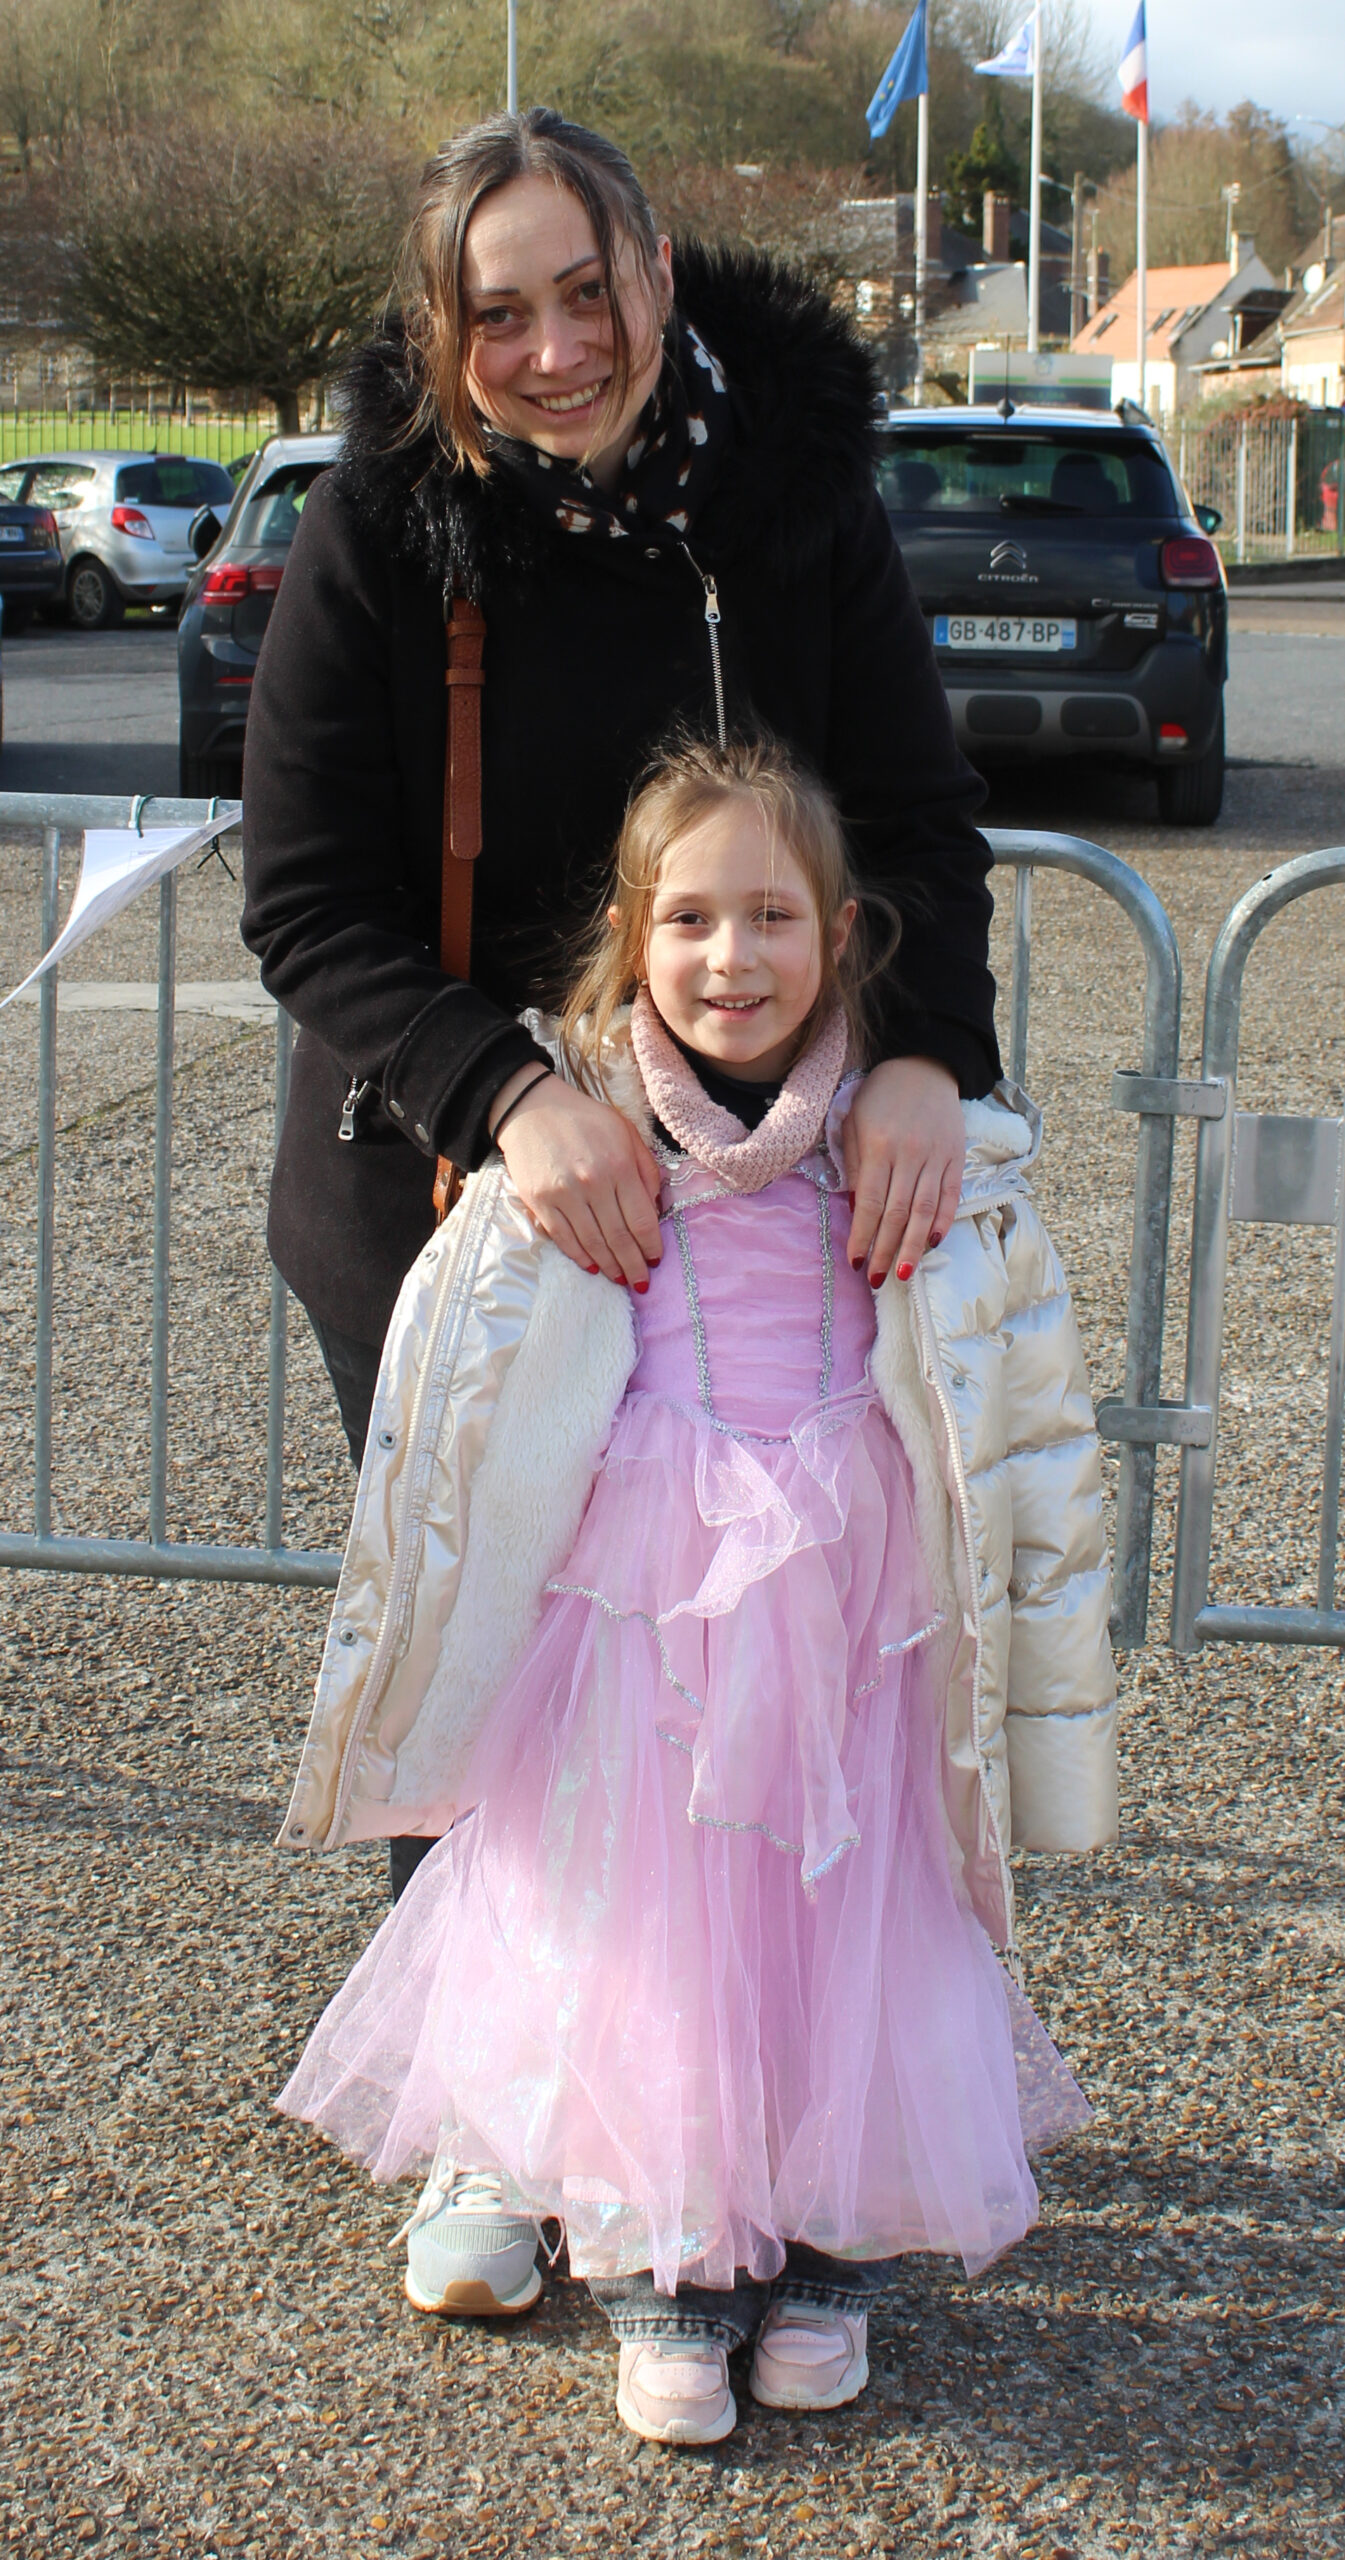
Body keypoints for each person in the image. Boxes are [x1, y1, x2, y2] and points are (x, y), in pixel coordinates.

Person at [277, 735, 1116, 2446]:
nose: (732, 958)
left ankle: (825, 2242)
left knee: (840, 1909)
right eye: (689, 920)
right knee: (641, 1920)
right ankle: (660, 2249)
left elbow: (1014, 1397)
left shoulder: (904, 1139)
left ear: (842, 932)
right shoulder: (570, 1140)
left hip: (848, 1611)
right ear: (629, 936)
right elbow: (462, 1404)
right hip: (633, 1622)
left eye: (773, 918)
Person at [240, 105, 999, 1595]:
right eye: (499, 315)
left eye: (589, 293)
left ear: (655, 267)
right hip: (449, 1207)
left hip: (769, 1213)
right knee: (480, 1675)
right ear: (443, 325)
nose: (555, 351)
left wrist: (926, 1054)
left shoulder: (797, 492)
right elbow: (308, 900)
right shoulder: (377, 525)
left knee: (740, 1661)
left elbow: (915, 819)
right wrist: (509, 1096)